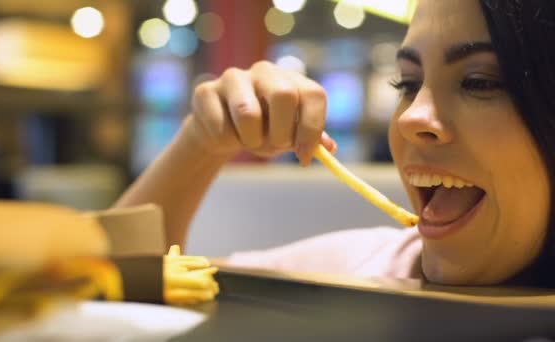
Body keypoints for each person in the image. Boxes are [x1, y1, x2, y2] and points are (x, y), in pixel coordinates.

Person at [115, 0, 555, 287]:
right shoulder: (355, 271)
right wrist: (199, 143)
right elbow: (101, 291)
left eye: (478, 82)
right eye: (408, 82)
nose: (411, 119)